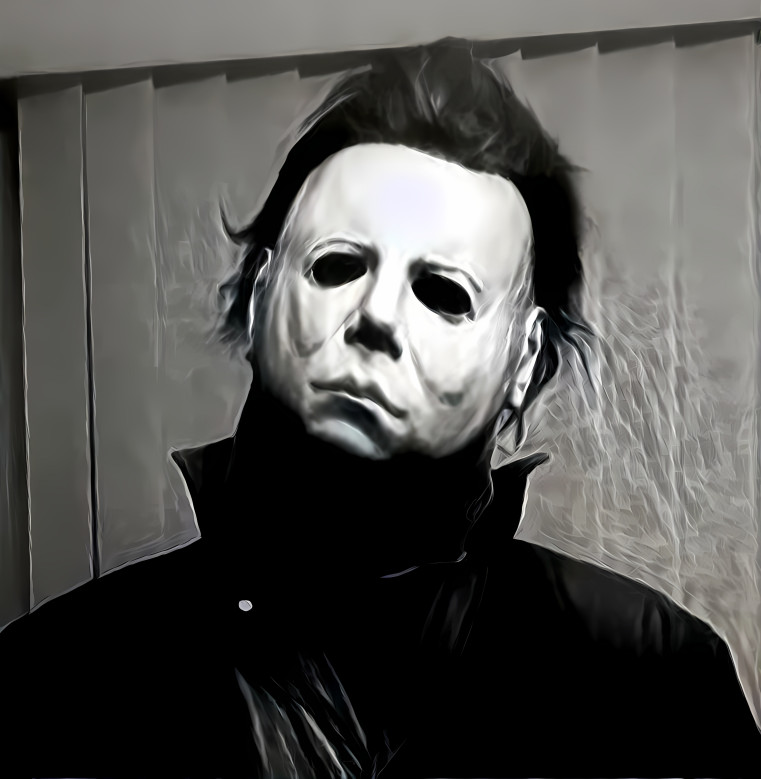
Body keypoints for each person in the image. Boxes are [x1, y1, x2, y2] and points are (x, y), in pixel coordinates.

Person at [2, 40, 759, 778]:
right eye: (337, 266)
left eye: (444, 292)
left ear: (523, 360)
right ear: (261, 298)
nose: (376, 317)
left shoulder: (655, 679)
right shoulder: (53, 679)